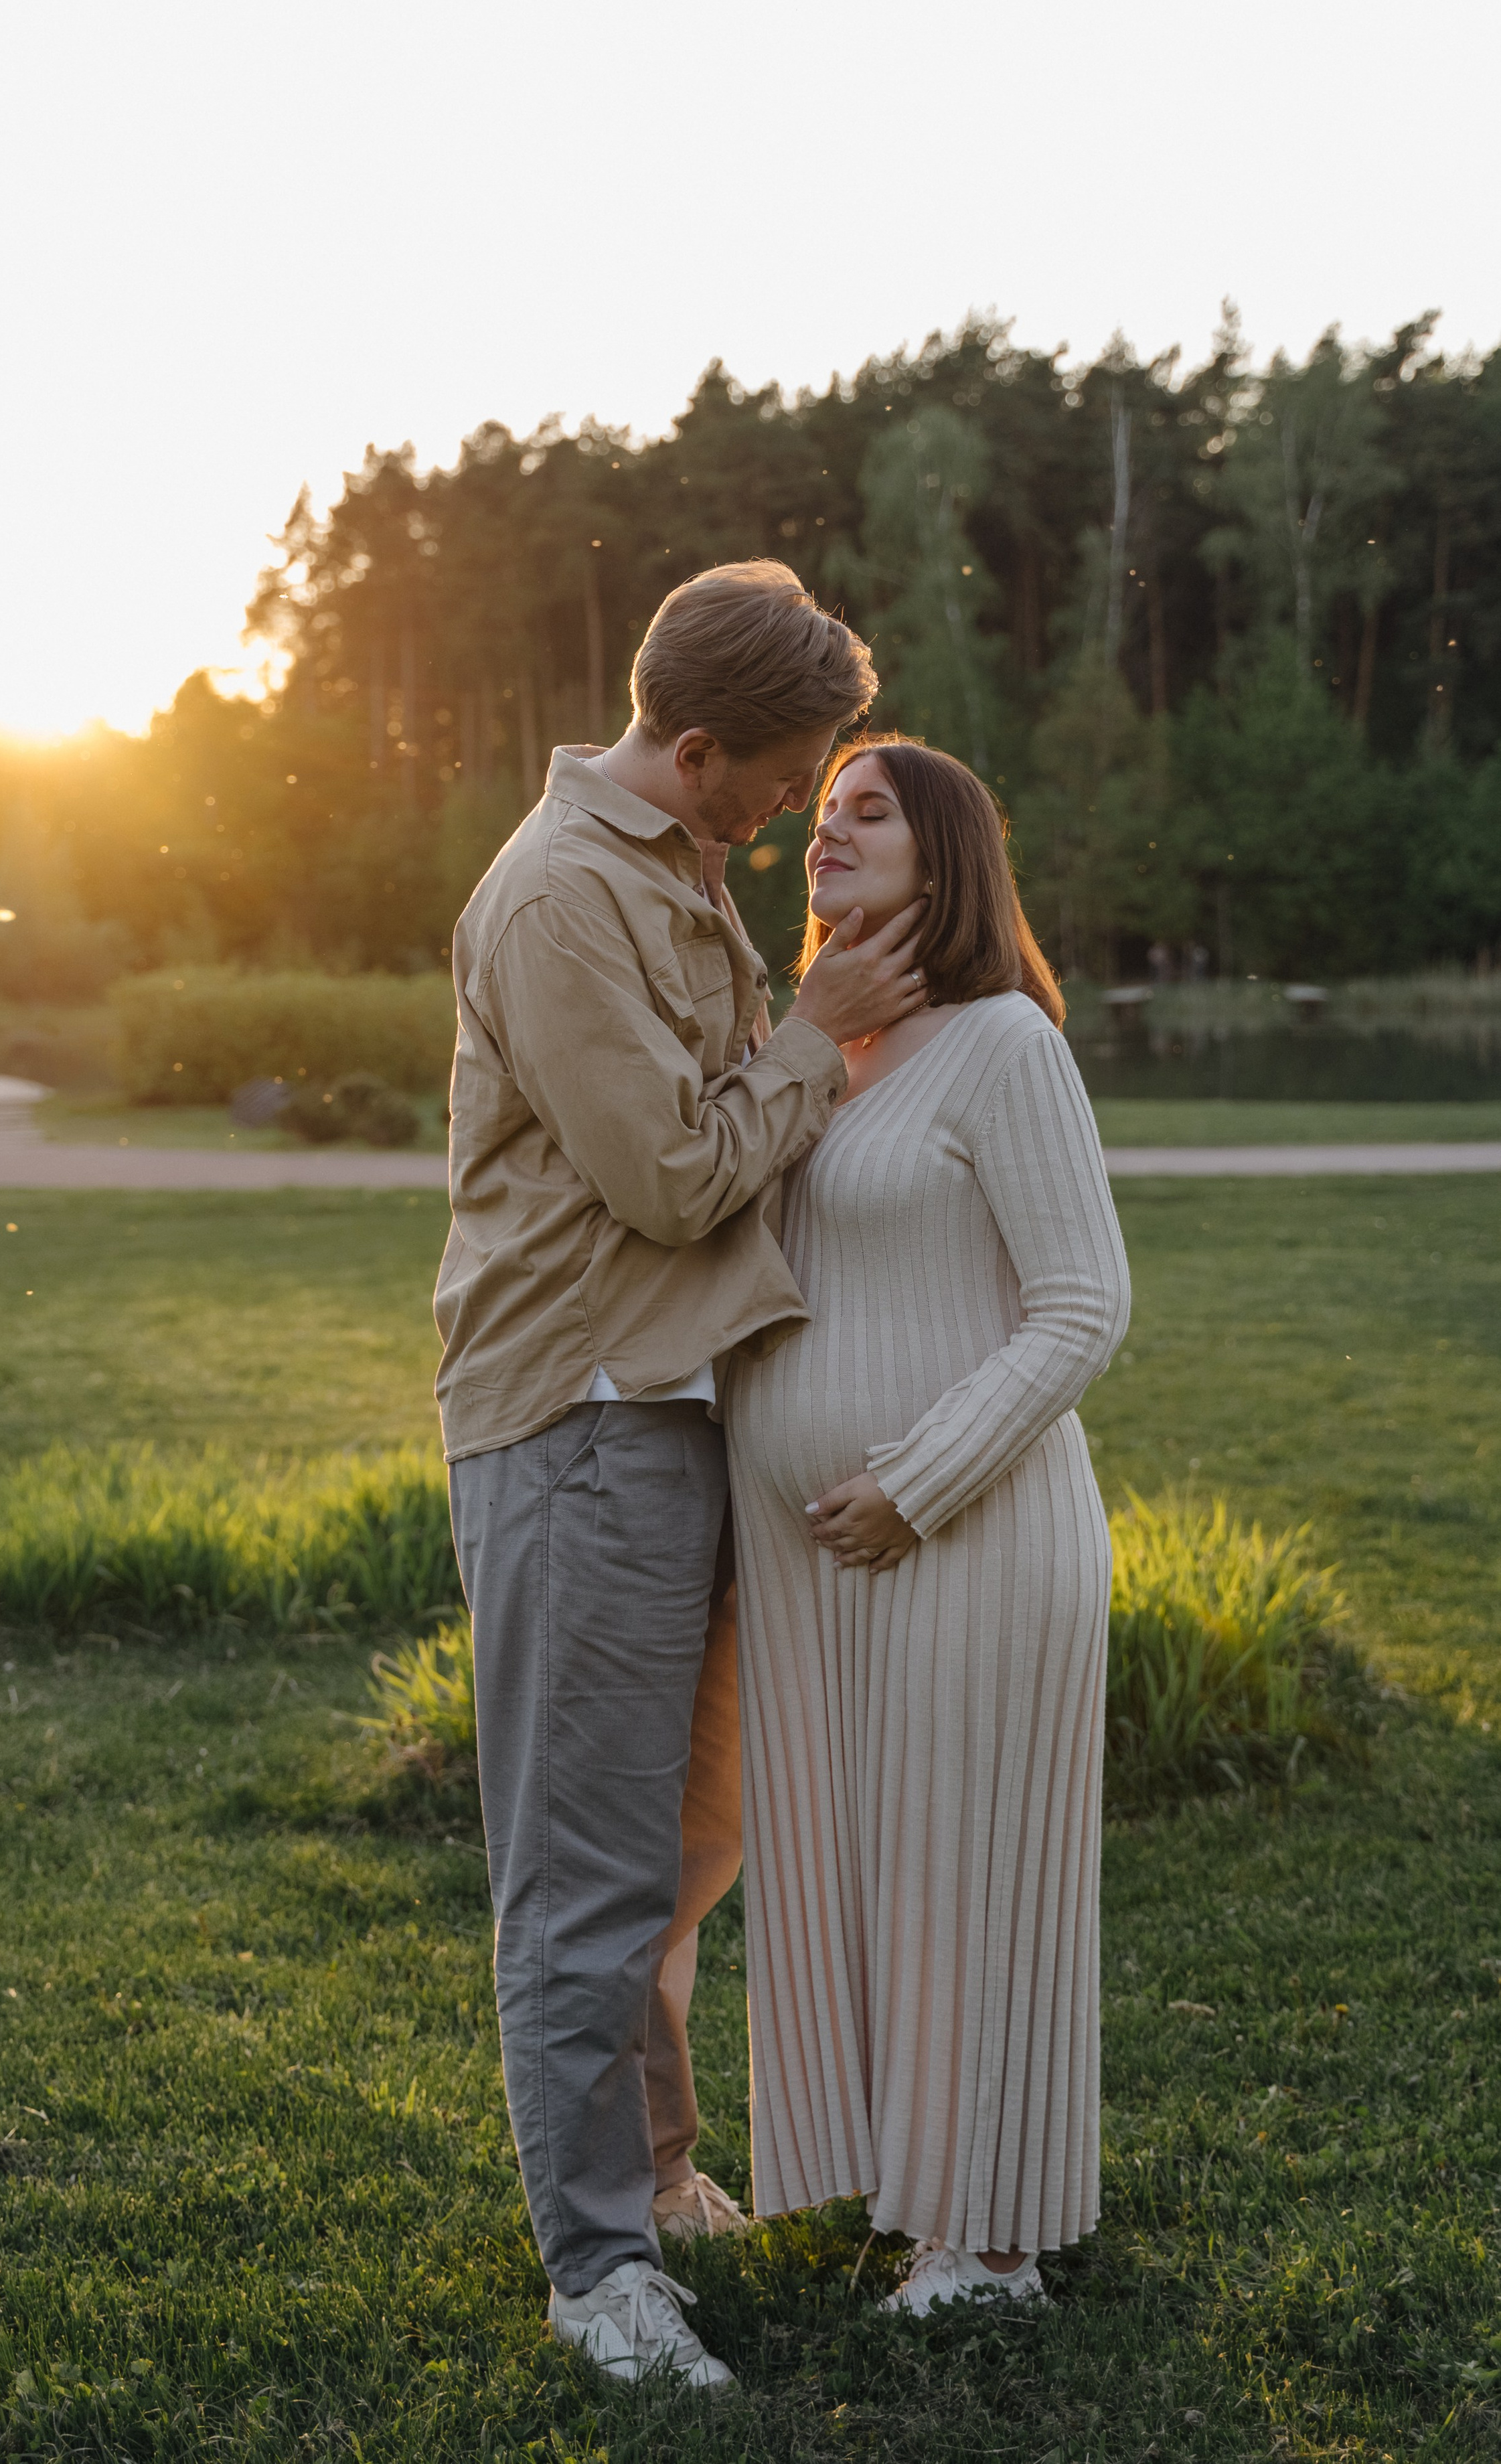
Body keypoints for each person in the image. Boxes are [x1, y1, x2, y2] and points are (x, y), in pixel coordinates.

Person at [435, 564, 929, 2388]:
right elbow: (664, 1173)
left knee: (678, 1853)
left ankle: (651, 2178)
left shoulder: (680, 870)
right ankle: (597, 2276)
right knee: (583, 1870)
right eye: (782, 777)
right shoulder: (562, 895)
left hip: (680, 1410)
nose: (795, 809)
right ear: (695, 746)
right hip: (579, 1417)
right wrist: (809, 1043)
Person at [724, 737, 1130, 2313]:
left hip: (967, 1533)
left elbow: (1083, 1302)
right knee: (863, 1872)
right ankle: (918, 2189)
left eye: (865, 814)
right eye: (817, 820)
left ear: (943, 852)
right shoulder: (824, 1042)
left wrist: (916, 1478)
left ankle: (997, 2242)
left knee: (969, 1872)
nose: (823, 837)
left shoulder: (1001, 1045)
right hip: (815, 1563)